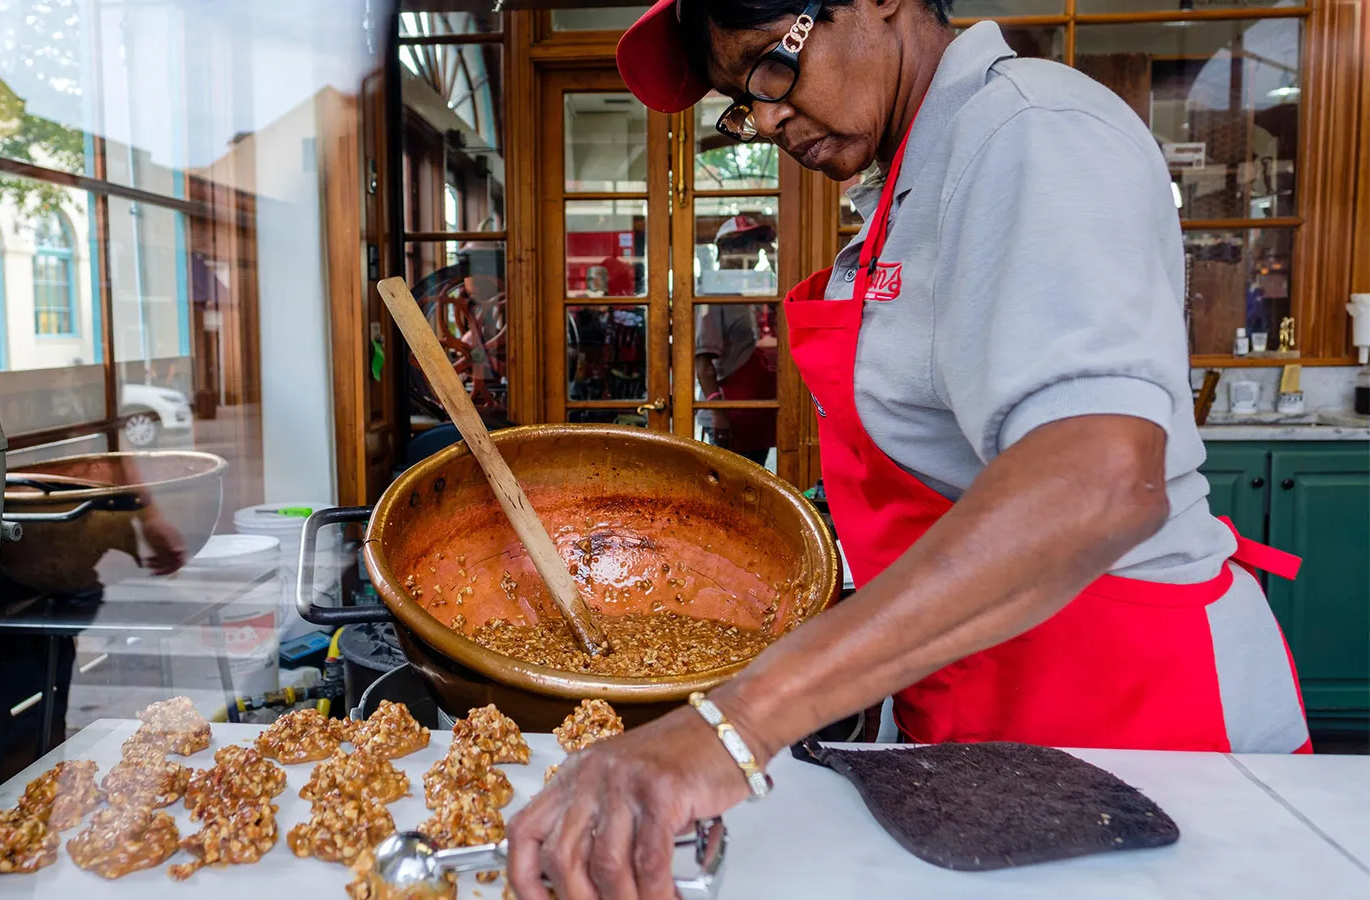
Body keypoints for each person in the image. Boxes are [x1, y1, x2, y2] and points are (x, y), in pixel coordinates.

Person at [506, 1, 1312, 896]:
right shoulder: (910, 183)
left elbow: (1098, 479)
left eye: (772, 66)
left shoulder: (1029, 133)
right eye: (741, 99)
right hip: (986, 708)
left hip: (1131, 711)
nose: (766, 115)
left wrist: (739, 721)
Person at [696, 215, 779, 464]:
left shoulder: (758, 288)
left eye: (754, 244)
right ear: (725, 250)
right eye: (744, 243)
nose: (751, 251)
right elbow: (703, 362)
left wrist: (772, 255)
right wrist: (718, 412)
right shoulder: (711, 293)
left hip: (761, 407)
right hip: (730, 411)